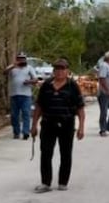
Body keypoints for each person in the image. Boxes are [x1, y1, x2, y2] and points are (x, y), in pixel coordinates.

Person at [30, 58, 86, 192]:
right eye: (57, 69)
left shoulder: (73, 86)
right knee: (46, 153)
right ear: (54, 71)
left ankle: (63, 182)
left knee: (66, 153)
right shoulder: (46, 85)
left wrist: (81, 127)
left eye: (63, 69)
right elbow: (39, 106)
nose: (60, 72)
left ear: (67, 71)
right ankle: (45, 183)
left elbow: (80, 108)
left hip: (66, 124)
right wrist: (34, 125)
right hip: (48, 124)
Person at [5, 52, 37, 140]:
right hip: (14, 94)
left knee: (26, 114)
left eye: (23, 58)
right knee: (14, 115)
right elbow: (4, 72)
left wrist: (29, 82)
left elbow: (35, 79)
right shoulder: (12, 68)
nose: (22, 60)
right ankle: (16, 132)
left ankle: (26, 132)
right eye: (20, 58)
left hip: (26, 95)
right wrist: (13, 65)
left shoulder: (29, 68)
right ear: (17, 59)